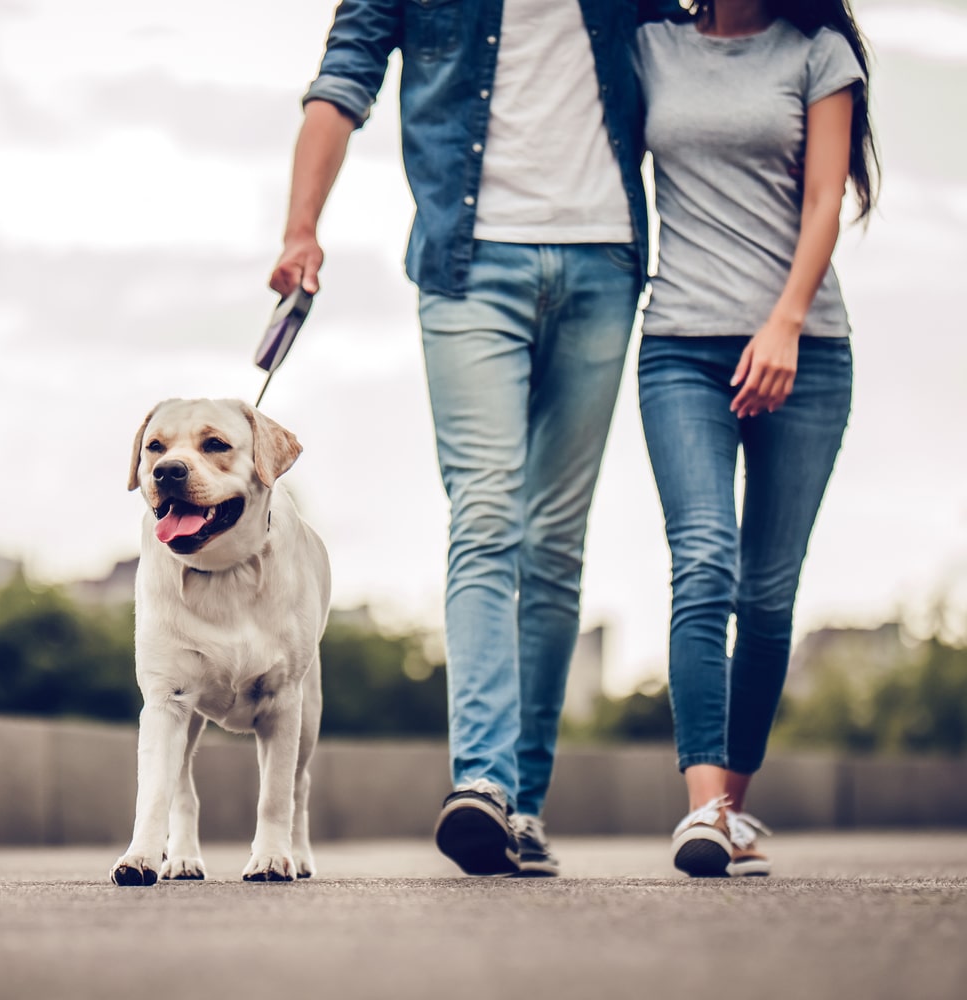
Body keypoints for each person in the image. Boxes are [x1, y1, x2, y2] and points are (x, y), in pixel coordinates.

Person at [269, 0, 687, 877]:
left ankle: (525, 804)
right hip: (468, 266)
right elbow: (343, 77)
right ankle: (485, 783)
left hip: (604, 262)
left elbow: (708, 46)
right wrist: (301, 225)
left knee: (554, 542)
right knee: (486, 511)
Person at [632, 0, 879, 877]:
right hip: (680, 350)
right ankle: (704, 812)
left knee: (767, 597)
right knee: (703, 560)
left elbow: (824, 200)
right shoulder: (649, 44)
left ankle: (731, 808)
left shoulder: (819, 56)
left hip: (805, 353)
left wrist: (783, 324)